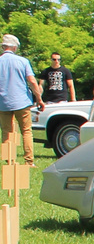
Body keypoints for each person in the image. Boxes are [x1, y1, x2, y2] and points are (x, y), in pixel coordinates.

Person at [0, 35, 42, 166]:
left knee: (6, 131)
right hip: (22, 101)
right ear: (14, 47)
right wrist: (39, 99)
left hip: (3, 102)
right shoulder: (23, 61)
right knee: (26, 131)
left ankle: (9, 162)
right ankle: (29, 161)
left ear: (3, 47)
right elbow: (32, 81)